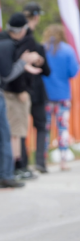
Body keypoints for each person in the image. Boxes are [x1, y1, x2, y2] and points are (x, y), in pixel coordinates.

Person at [0, 13, 42, 189]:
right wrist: (23, 62)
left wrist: (22, 64)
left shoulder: (2, 41)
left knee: (4, 134)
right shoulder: (5, 44)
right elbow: (6, 74)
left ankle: (5, 175)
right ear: (22, 30)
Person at [0, 11, 48, 180]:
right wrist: (20, 89)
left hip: (22, 91)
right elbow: (12, 71)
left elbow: (42, 69)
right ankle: (15, 167)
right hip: (14, 93)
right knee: (15, 131)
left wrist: (36, 62)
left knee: (19, 131)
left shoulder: (19, 42)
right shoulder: (10, 43)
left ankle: (21, 165)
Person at [42, 24, 79, 171]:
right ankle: (63, 161)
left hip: (46, 95)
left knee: (45, 128)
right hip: (63, 95)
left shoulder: (43, 48)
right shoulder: (68, 50)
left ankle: (42, 159)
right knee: (62, 128)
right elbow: (74, 71)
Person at [23, 2, 51, 174]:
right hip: (34, 90)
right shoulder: (36, 44)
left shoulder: (17, 41)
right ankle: (39, 160)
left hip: (22, 89)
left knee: (21, 128)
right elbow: (46, 71)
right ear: (36, 17)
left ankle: (24, 163)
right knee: (40, 126)